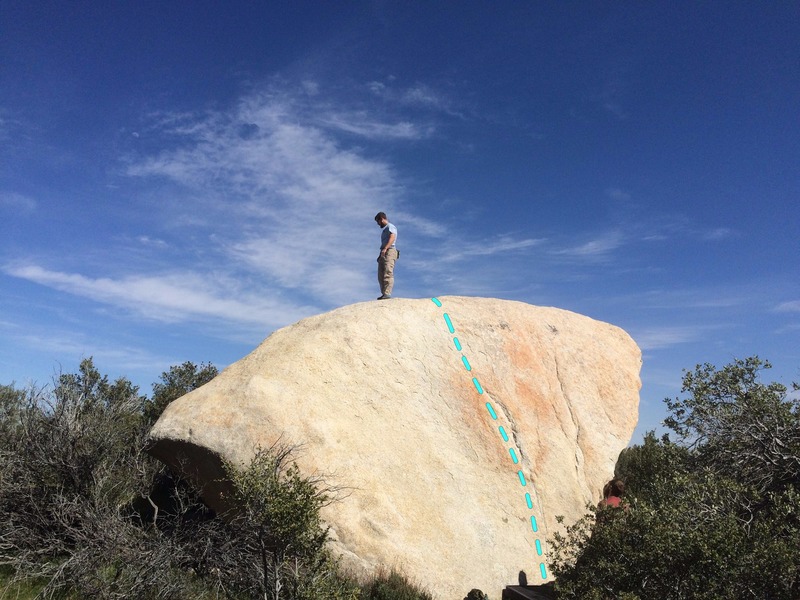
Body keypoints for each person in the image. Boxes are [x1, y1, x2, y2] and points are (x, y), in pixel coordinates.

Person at [374, 212, 398, 300]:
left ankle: (387, 293)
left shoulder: (390, 226)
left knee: (388, 272)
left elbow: (392, 237)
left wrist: (386, 248)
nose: (378, 224)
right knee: (380, 275)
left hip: (390, 250)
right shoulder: (384, 230)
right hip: (383, 252)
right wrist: (380, 254)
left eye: (378, 221)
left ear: (382, 218)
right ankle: (384, 293)